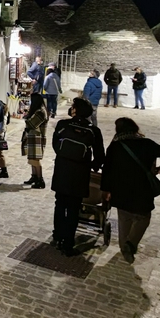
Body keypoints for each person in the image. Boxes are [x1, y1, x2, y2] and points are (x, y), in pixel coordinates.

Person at [100, 118, 160, 264]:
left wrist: (106, 190)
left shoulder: (115, 146)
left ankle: (124, 247)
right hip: (142, 188)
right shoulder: (147, 144)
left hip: (121, 189)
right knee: (143, 218)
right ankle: (130, 244)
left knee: (124, 218)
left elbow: (107, 169)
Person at [51, 97, 105, 256]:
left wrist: (64, 156)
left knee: (60, 203)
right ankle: (68, 242)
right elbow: (100, 156)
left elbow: (56, 145)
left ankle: (58, 235)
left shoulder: (63, 125)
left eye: (73, 106)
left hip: (62, 170)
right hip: (80, 173)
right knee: (74, 207)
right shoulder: (94, 131)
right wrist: (90, 165)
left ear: (76, 110)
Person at [22, 93, 48, 189]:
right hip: (33, 137)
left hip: (37, 138)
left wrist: (27, 118)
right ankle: (34, 176)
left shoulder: (41, 112)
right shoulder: (38, 111)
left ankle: (40, 179)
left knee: (36, 160)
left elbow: (32, 124)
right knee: (32, 159)